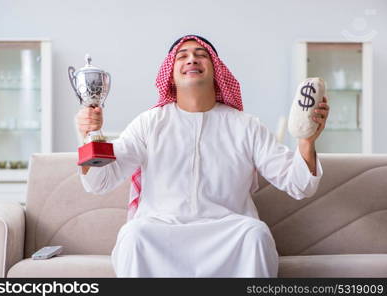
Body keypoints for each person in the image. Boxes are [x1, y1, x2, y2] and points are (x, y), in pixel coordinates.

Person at [75, 35, 329, 277]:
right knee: (134, 235)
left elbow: (299, 184)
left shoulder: (245, 125)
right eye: (182, 56)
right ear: (171, 76)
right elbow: (100, 181)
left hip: (226, 233)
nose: (192, 60)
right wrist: (89, 135)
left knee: (255, 233)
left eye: (201, 55)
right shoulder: (149, 123)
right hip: (161, 233)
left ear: (216, 70)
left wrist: (307, 141)